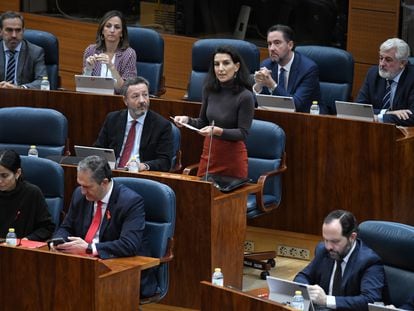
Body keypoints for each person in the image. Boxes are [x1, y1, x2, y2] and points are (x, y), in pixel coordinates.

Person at [52, 155, 157, 297]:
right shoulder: (80, 195)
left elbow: (129, 244)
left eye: (87, 187)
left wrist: (90, 248)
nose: (82, 191)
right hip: (84, 264)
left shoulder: (130, 202)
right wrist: (58, 241)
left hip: (120, 269)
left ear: (104, 182)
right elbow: (67, 227)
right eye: (80, 185)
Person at [173, 45, 255, 178]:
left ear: (237, 66)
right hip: (210, 154)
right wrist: (186, 120)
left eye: (226, 63)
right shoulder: (209, 90)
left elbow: (243, 133)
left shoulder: (245, 96)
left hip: (232, 159)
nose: (220, 69)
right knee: (201, 196)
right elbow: (202, 122)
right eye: (216, 64)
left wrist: (217, 131)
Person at [294, 210, 387, 311]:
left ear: (352, 237)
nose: (328, 246)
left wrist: (326, 300)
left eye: (335, 241)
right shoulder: (323, 250)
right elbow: (302, 276)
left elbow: (370, 300)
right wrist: (309, 290)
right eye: (325, 240)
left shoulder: (369, 261)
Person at [94, 76, 173, 172]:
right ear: (125, 100)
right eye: (135, 96)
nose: (142, 100)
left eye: (145, 95)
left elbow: (165, 162)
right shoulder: (113, 119)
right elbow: (98, 149)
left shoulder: (162, 125)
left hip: (141, 176)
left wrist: (144, 166)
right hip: (112, 173)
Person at [253, 24, 320, 113]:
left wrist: (272, 85)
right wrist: (259, 86)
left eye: (277, 43)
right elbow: (257, 103)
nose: (272, 48)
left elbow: (296, 105)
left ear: (290, 45)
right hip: (276, 116)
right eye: (269, 44)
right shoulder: (267, 65)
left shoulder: (308, 69)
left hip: (306, 118)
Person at [356, 38, 414, 126]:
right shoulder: (373, 74)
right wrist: (387, 112)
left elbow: (412, 116)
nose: (382, 64)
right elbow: (359, 108)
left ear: (402, 63)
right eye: (381, 58)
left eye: (388, 60)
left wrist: (379, 118)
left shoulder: (412, 78)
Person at [0, 149, 55, 240]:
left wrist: (28, 240)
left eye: (4, 176)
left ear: (17, 173)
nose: (0, 181)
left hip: (22, 249)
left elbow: (46, 228)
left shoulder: (32, 193)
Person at [82, 10, 137, 92]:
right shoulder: (91, 50)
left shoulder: (129, 54)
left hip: (117, 101)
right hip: (93, 99)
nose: (112, 30)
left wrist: (111, 67)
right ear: (102, 30)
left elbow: (126, 90)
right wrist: (88, 69)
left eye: (117, 27)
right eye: (108, 26)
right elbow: (84, 87)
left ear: (122, 33)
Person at [0, 11, 47, 89]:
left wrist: (20, 88)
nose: (14, 35)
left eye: (18, 30)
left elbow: (42, 81)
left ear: (23, 30)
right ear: (0, 31)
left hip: (24, 98)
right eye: (9, 30)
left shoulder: (35, 52)